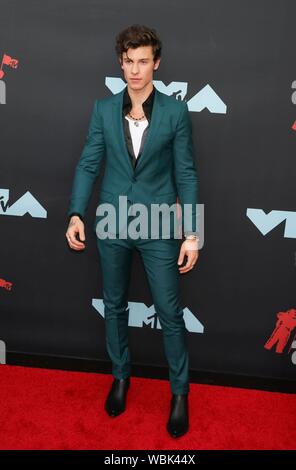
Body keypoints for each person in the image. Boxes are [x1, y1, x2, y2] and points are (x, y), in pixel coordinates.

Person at [66, 24, 200, 438]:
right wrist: (76, 213)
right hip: (111, 221)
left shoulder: (176, 113)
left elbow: (186, 173)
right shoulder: (103, 109)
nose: (136, 70)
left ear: (156, 63)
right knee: (114, 305)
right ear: (120, 63)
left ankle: (179, 393)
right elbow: (89, 163)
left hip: (159, 223)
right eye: (129, 61)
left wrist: (191, 233)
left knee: (170, 313)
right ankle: (120, 377)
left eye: (144, 61)